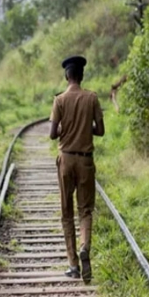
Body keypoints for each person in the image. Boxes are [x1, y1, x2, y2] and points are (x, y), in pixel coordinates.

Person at [49, 55, 105, 283]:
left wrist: (66, 127)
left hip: (66, 161)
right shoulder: (92, 98)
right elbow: (100, 130)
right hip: (85, 161)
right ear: (81, 76)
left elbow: (53, 134)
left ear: (66, 76)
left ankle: (73, 264)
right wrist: (84, 127)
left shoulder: (59, 100)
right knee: (85, 210)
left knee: (66, 213)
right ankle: (85, 246)